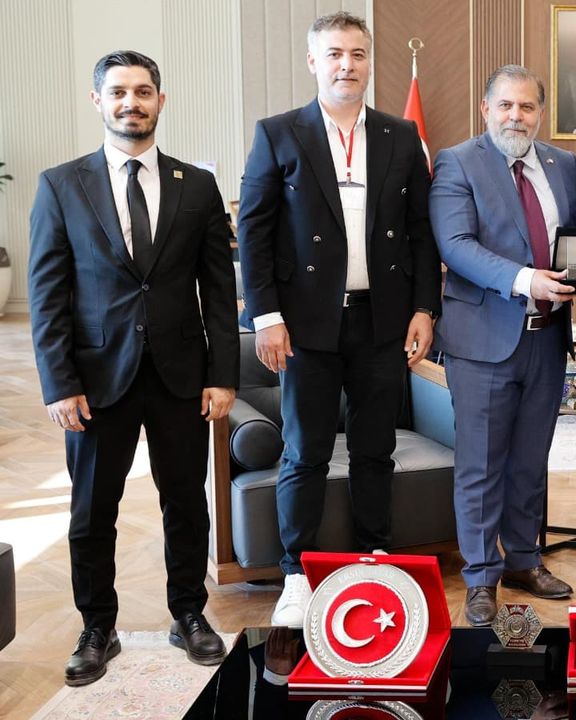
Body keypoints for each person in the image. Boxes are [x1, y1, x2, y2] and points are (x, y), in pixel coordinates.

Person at [28, 50, 238, 685]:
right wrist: (59, 382)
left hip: (180, 376)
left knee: (186, 503)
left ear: (160, 101)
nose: (131, 103)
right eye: (118, 92)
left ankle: (189, 613)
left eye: (143, 92)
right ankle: (97, 627)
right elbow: (47, 293)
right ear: (98, 100)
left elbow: (219, 289)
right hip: (96, 382)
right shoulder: (61, 185)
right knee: (93, 511)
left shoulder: (196, 186)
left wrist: (222, 374)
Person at [236, 11, 442, 627]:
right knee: (305, 452)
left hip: (382, 321)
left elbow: (421, 232)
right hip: (305, 326)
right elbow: (254, 233)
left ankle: (375, 557)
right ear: (313, 62)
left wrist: (424, 308)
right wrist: (266, 316)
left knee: (377, 448)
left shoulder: (400, 135)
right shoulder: (279, 133)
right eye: (334, 54)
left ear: (369, 62)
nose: (346, 65)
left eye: (357, 54)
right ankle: (296, 572)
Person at [429, 65, 576, 627]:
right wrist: (524, 280)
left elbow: (572, 240)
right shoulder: (457, 161)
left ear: (541, 113)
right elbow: (455, 244)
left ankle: (523, 560)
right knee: (481, 465)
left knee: (530, 461)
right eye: (505, 106)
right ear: (486, 109)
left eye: (527, 107)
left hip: (548, 339)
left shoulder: (562, 164)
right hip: (483, 341)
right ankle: (479, 576)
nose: (516, 116)